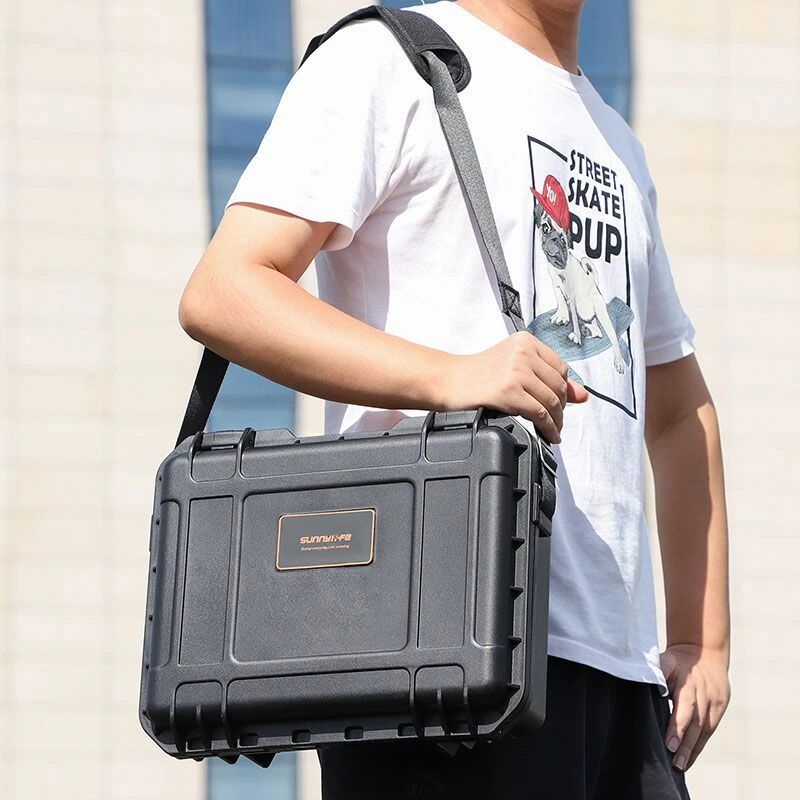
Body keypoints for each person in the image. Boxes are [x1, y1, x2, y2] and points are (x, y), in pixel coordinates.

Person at [178, 1, 731, 797]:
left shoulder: (618, 142)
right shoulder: (387, 60)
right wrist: (451, 375)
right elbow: (225, 291)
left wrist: (703, 641)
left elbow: (679, 410)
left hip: (622, 681)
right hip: (440, 656)